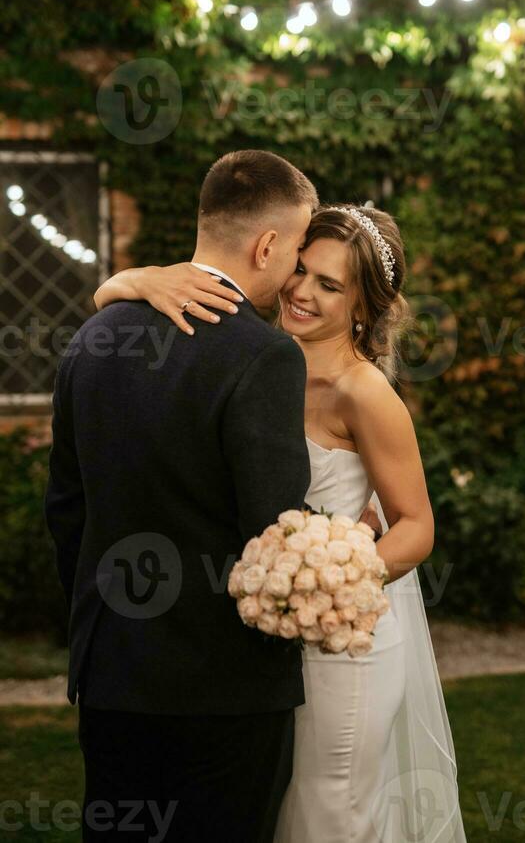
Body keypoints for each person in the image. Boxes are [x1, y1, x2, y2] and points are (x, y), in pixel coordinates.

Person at [94, 198, 467, 841]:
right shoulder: (253, 361)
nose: (301, 292)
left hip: (340, 645)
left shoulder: (364, 393)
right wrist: (132, 280)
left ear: (364, 306)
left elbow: (415, 525)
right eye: (301, 271)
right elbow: (112, 301)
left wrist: (333, 574)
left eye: (330, 285)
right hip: (254, 650)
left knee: (328, 812)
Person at [45, 149, 320, 842]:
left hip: (111, 672)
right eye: (295, 249)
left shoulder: (91, 337)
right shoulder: (263, 355)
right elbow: (275, 531)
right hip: (224, 687)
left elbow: (66, 512)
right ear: (267, 245)